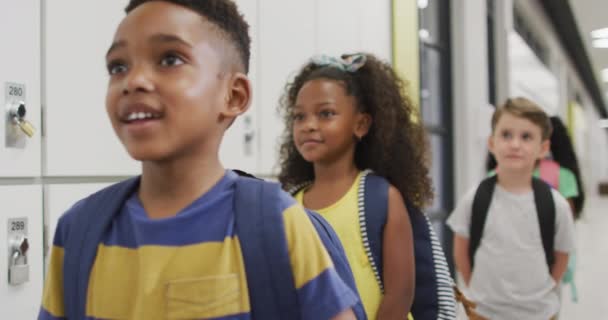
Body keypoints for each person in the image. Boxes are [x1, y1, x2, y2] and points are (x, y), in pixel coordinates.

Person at [38, 1, 358, 319]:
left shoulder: (276, 222)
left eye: (169, 59)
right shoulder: (79, 230)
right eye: (118, 66)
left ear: (233, 96)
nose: (133, 81)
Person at [277, 53, 434, 319]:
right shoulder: (289, 204)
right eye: (299, 117)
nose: (309, 126)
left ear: (361, 124)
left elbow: (400, 294)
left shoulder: (382, 198)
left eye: (325, 114)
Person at [448, 97, 575, 320]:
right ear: (492, 143)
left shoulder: (556, 205)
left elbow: (562, 255)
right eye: (506, 135)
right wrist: (476, 288)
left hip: (540, 313)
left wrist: (544, 290)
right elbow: (460, 250)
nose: (515, 144)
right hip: (484, 312)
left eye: (526, 137)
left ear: (543, 148)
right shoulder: (474, 198)